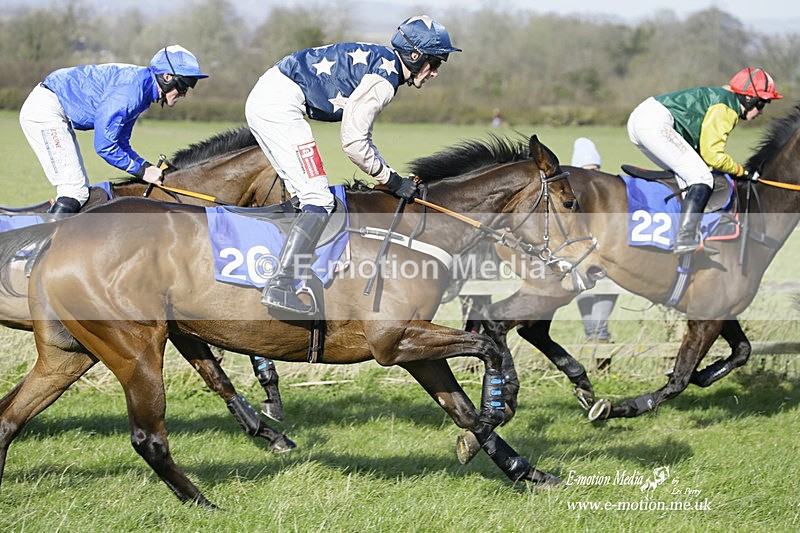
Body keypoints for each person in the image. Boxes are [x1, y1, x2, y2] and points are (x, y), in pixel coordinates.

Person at [246, 14, 461, 315]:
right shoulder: (384, 80)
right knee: (318, 200)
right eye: (435, 63)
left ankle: (289, 274)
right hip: (278, 104)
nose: (435, 72)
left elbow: (358, 137)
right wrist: (393, 180)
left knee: (305, 200)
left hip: (270, 96)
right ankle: (280, 284)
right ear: (415, 56)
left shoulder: (384, 65)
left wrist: (387, 175)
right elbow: (354, 142)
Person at [19, 45, 208, 214]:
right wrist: (142, 172)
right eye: (184, 85)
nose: (184, 94)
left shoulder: (142, 90)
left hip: (54, 107)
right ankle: (44, 249)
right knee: (74, 191)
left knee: (79, 191)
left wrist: (146, 166)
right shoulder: (131, 93)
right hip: (46, 110)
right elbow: (105, 146)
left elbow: (121, 142)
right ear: (167, 77)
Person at [627, 67, 782, 255]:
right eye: (762, 103)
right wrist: (742, 171)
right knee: (702, 178)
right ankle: (684, 239)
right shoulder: (727, 107)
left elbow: (704, 153)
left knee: (689, 176)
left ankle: (683, 231)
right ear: (749, 98)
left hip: (642, 120)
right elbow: (713, 156)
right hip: (654, 122)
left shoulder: (723, 99)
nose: (761, 111)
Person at [571, 137, 618, 342]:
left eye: (595, 170)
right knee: (587, 295)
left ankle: (599, 337)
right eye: (586, 169)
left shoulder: (607, 193)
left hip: (606, 258)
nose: (592, 175)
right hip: (582, 259)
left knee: (608, 291)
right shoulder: (571, 198)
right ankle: (596, 337)